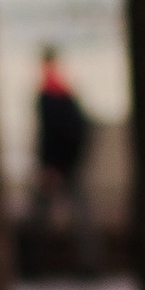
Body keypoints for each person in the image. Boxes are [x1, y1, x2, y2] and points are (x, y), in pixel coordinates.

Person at [31, 48, 95, 268]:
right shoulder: (64, 91)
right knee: (79, 215)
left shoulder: (51, 93)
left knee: (44, 215)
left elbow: (51, 134)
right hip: (67, 162)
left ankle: (36, 264)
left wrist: (52, 165)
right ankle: (88, 262)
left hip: (59, 164)